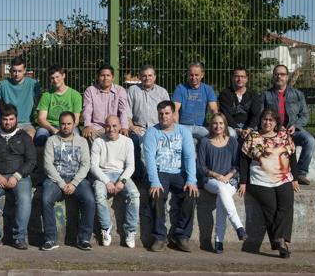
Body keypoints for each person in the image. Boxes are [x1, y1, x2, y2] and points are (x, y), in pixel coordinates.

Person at [239, 108, 300, 259]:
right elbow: (244, 160)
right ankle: (281, 243)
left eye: (271, 120)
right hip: (260, 181)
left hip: (283, 178)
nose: (267, 122)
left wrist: (295, 178)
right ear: (260, 120)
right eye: (265, 119)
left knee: (286, 206)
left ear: (276, 123)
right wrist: (243, 182)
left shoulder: (284, 136)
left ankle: (279, 241)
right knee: (271, 210)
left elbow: (292, 156)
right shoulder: (253, 136)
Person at [144, 100, 198, 252]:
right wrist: (154, 181)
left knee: (190, 192)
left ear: (174, 114)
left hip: (178, 172)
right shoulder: (152, 132)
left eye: (167, 113)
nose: (164, 117)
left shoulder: (184, 132)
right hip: (160, 172)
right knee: (156, 194)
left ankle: (181, 236)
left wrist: (191, 180)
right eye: (161, 114)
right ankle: (159, 237)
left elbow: (189, 157)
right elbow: (150, 160)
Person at [0, 104, 36, 250]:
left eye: (11, 119)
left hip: (20, 176)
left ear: (16, 119)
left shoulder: (24, 137)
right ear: (0, 120)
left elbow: (31, 161)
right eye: (5, 119)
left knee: (24, 198)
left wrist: (16, 176)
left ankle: (19, 238)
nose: (8, 122)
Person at [41, 111, 95, 251]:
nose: (65, 127)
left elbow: (85, 165)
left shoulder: (82, 141)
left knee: (89, 200)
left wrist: (74, 183)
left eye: (69, 124)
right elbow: (48, 165)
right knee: (46, 198)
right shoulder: (51, 141)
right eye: (63, 124)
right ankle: (50, 239)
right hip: (56, 180)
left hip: (77, 179)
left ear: (74, 124)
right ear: (59, 124)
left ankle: (83, 238)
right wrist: (62, 184)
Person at [196, 113, 247, 254]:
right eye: (215, 123)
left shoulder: (232, 142)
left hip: (230, 180)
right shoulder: (204, 141)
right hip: (210, 180)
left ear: (225, 125)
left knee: (221, 198)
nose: (218, 126)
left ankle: (219, 241)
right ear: (211, 125)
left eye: (221, 123)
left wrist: (228, 176)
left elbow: (237, 165)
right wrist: (217, 175)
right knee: (220, 187)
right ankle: (238, 226)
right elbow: (201, 167)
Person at [261, 64, 315, 185]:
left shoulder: (297, 94)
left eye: (282, 74)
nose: (279, 76)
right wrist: (273, 127)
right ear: (273, 76)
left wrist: (295, 126)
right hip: (273, 133)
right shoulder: (266, 95)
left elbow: (305, 115)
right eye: (276, 74)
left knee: (310, 141)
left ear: (287, 77)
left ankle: (300, 173)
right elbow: (261, 115)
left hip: (293, 130)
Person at [90, 115, 139, 248]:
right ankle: (106, 228)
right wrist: (107, 182)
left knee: (134, 194)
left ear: (119, 126)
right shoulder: (98, 142)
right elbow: (94, 166)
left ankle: (130, 230)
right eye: (108, 126)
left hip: (121, 174)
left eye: (114, 126)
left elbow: (131, 166)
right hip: (102, 175)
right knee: (99, 195)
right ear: (104, 126)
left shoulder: (127, 142)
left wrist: (122, 181)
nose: (111, 129)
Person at [35, 64, 83, 146]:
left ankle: (73, 158)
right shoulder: (46, 95)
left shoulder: (75, 95)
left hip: (69, 125)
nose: (55, 80)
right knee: (41, 135)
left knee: (76, 136)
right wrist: (53, 129)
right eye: (52, 78)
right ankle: (41, 158)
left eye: (57, 77)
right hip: (49, 126)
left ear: (63, 75)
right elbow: (41, 118)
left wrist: (65, 129)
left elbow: (76, 119)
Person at [172, 62, 221, 141]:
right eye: (191, 75)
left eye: (196, 75)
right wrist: (177, 129)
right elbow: (175, 110)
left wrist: (216, 125)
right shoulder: (180, 88)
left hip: (202, 127)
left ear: (202, 75)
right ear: (187, 75)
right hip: (184, 126)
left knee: (214, 139)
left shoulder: (208, 89)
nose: (193, 77)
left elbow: (213, 109)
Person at [82, 64, 131, 142]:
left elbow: (123, 111)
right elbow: (87, 110)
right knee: (89, 134)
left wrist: (124, 127)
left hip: (114, 127)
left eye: (108, 75)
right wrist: (87, 125)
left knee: (125, 136)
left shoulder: (120, 90)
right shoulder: (90, 90)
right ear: (98, 77)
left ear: (113, 78)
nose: (105, 78)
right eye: (102, 75)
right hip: (97, 127)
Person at [0, 57, 41, 138]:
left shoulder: (33, 84)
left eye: (19, 71)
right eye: (14, 71)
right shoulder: (3, 85)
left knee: (28, 137)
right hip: (8, 122)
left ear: (24, 71)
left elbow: (38, 104)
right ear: (10, 71)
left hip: (27, 123)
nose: (16, 74)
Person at [219, 67, 261, 140]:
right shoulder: (225, 94)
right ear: (232, 78)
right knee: (231, 134)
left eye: (242, 77)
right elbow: (226, 115)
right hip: (231, 127)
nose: (240, 79)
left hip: (249, 127)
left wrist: (249, 128)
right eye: (237, 76)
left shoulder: (253, 94)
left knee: (255, 137)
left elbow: (256, 114)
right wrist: (237, 128)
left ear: (247, 79)